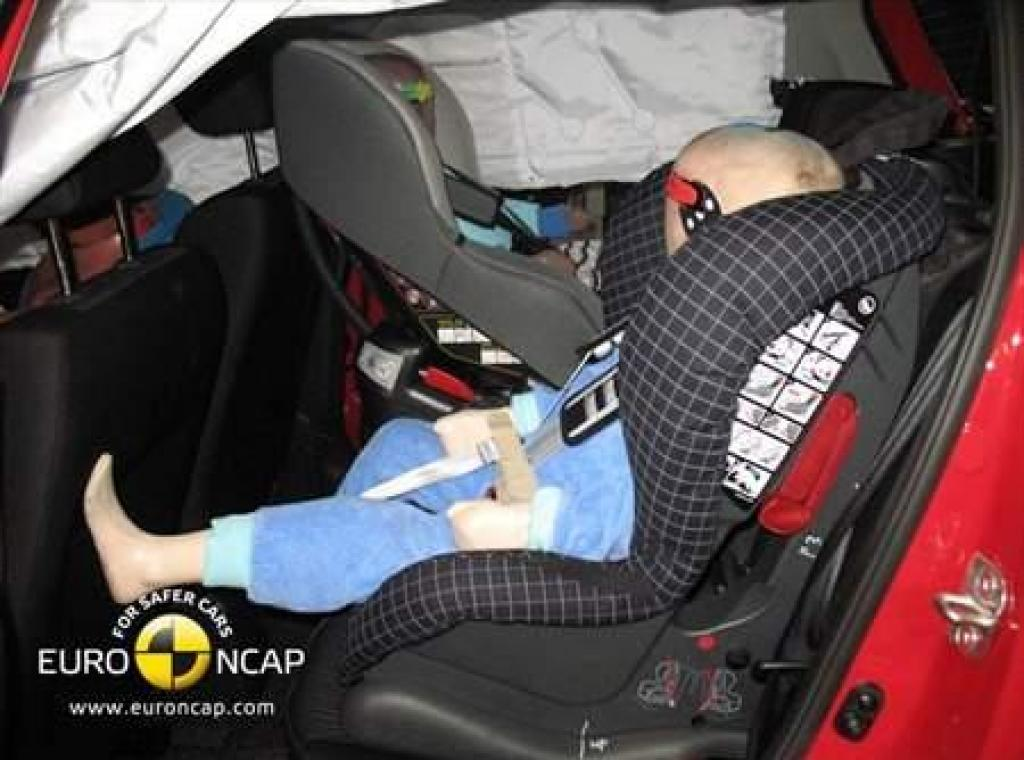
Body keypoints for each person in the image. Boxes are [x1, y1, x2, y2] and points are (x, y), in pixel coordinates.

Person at [83, 125, 844, 613]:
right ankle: (329, 558)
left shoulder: (725, 376)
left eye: (674, 193)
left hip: (559, 538)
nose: (655, 211)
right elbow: (597, 397)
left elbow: (633, 517)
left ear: (708, 220)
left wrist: (526, 524)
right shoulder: (688, 315)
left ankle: (155, 562)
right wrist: (513, 419)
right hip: (541, 467)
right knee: (402, 444)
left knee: (386, 536)